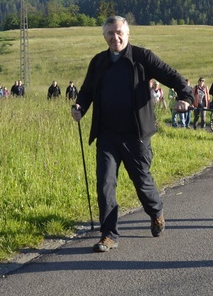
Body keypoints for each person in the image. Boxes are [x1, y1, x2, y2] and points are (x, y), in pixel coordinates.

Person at [71, 16, 193, 253]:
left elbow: (171, 76)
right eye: (109, 33)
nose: (114, 37)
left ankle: (156, 211)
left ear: (127, 34)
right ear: (104, 36)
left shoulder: (142, 57)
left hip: (136, 135)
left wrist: (185, 97)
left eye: (118, 32)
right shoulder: (98, 62)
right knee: (105, 183)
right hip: (107, 135)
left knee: (142, 182)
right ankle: (108, 235)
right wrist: (79, 108)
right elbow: (86, 92)